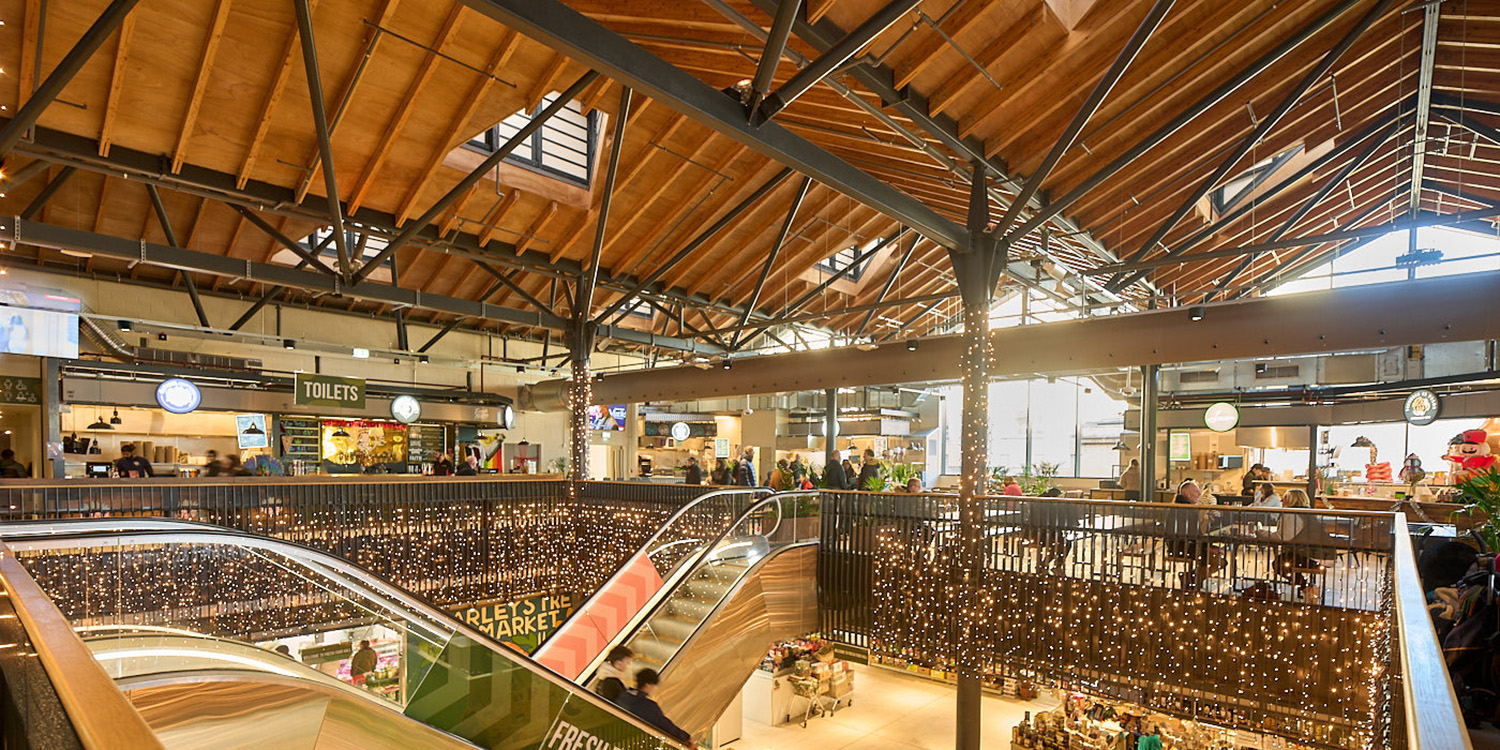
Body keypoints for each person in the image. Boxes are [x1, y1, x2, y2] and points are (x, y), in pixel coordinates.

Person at [616, 668, 694, 748]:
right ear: (647, 685)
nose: (654, 689)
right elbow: (665, 724)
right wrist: (685, 737)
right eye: (654, 686)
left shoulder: (623, 695)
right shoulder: (648, 706)